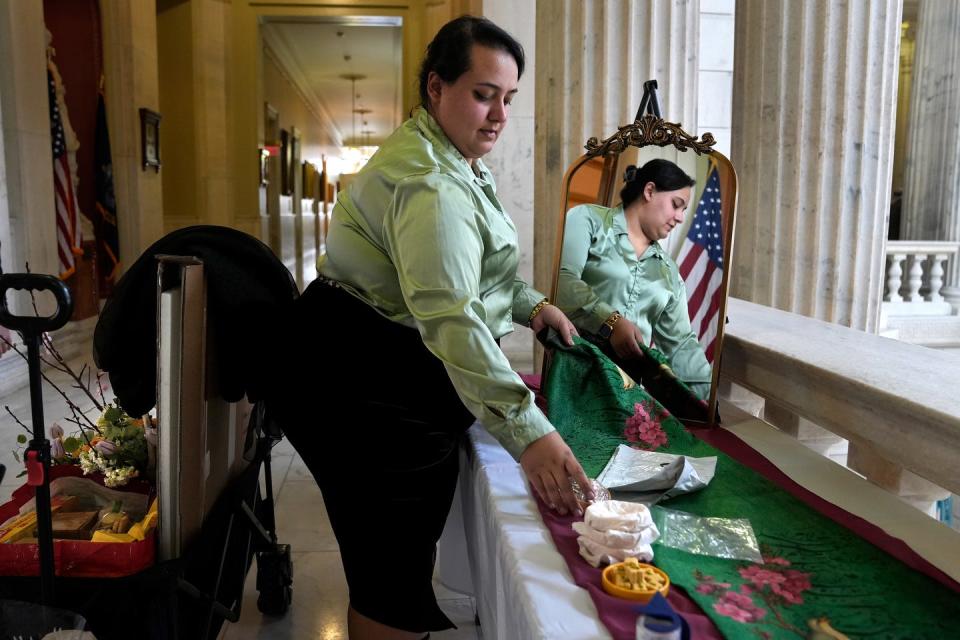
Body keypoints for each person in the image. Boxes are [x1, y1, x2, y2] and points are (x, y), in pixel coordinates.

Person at [270, 16, 592, 640]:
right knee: (390, 571)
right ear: (436, 87)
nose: (499, 114)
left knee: (396, 562)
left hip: (376, 360)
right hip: (357, 377)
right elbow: (451, 316)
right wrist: (529, 433)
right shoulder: (430, 182)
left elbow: (477, 273)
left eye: (508, 98)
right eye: (482, 93)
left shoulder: (457, 157)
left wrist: (530, 305)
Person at [555, 159, 712, 399]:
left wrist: (707, 399)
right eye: (676, 205)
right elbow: (562, 282)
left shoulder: (669, 271)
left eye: (683, 210)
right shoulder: (587, 220)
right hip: (572, 381)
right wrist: (611, 322)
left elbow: (680, 343)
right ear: (649, 191)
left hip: (628, 398)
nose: (680, 218)